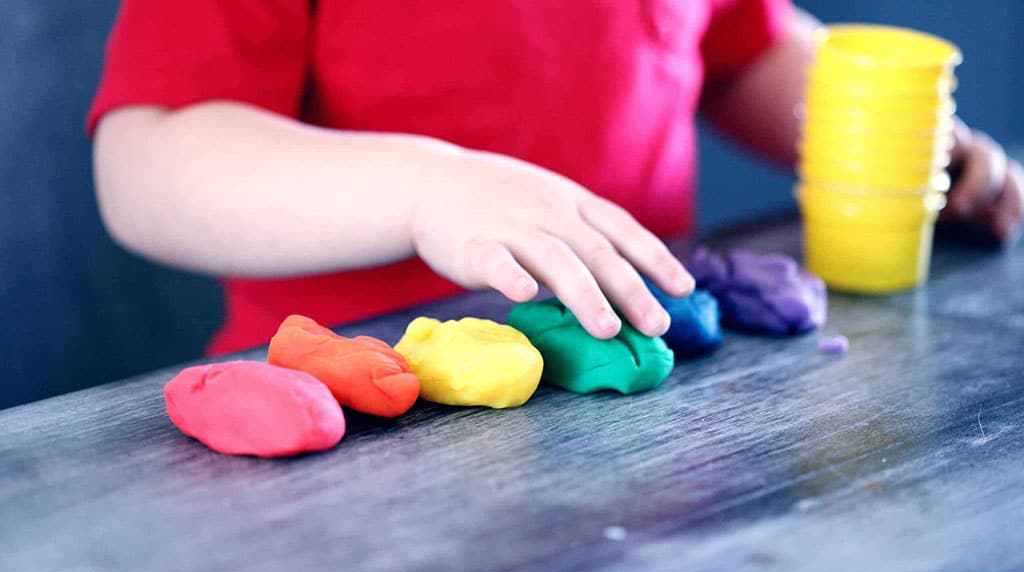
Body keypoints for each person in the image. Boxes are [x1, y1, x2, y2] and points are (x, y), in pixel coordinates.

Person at [89, 1, 1022, 355]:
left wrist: (902, 145)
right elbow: (150, 160)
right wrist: (427, 190)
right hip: (350, 410)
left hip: (647, 390)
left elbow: (739, 50)